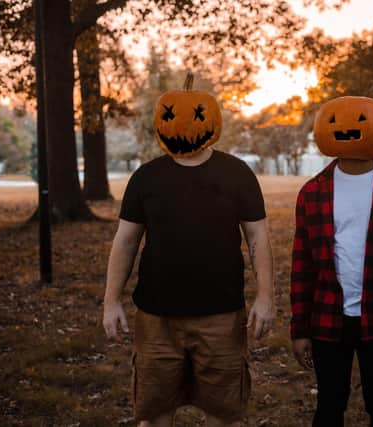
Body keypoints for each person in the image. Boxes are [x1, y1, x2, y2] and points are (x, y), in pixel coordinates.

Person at [103, 78, 275, 427]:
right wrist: (110, 301)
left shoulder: (236, 174)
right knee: (154, 414)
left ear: (211, 119)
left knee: (224, 414)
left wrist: (266, 297)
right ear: (159, 120)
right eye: (170, 114)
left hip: (221, 315)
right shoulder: (146, 178)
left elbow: (257, 236)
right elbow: (125, 241)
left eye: (196, 114)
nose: (181, 124)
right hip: (156, 318)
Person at [290, 96, 373, 427]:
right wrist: (299, 328)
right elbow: (302, 266)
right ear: (323, 129)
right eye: (334, 120)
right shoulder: (312, 192)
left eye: (360, 119)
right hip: (326, 320)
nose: (347, 127)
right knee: (328, 405)